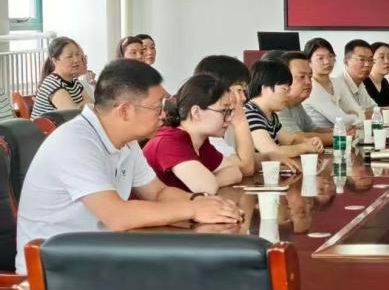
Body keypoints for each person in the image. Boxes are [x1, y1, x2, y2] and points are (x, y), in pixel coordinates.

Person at [14, 59, 242, 273]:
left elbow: (158, 192)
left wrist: (201, 202)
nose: (164, 115)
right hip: (55, 272)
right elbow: (118, 215)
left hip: (99, 260)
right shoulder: (75, 142)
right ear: (124, 110)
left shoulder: (127, 142)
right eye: (157, 107)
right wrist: (194, 210)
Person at [193, 55, 298, 176]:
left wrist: (269, 157)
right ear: (216, 90)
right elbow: (246, 167)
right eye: (239, 90)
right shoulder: (209, 128)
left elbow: (245, 158)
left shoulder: (227, 123)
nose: (244, 97)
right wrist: (241, 122)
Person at [143, 74, 244, 194]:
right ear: (196, 112)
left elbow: (235, 172)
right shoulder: (169, 142)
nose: (229, 119)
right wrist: (211, 181)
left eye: (229, 111)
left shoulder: (199, 141)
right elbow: (207, 187)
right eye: (224, 111)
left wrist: (214, 181)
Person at [245, 60, 323, 158]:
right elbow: (272, 152)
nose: (288, 94)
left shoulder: (271, 115)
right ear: (265, 88)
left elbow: (289, 141)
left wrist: (310, 142)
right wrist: (304, 147)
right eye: (285, 89)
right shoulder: (250, 113)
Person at [275, 51, 332, 146]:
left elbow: (314, 130)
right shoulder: (277, 106)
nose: (308, 82)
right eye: (302, 77)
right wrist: (339, 137)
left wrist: (341, 131)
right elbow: (295, 139)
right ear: (283, 79)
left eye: (310, 76)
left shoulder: (296, 103)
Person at [302, 38, 358, 128]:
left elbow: (356, 110)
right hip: (320, 135)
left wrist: (351, 117)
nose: (327, 61)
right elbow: (342, 120)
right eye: (320, 58)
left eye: (330, 56)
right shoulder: (310, 86)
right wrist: (352, 117)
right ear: (309, 62)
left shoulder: (337, 82)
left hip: (341, 133)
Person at [32, 36, 92, 118]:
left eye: (77, 54)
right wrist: (82, 105)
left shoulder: (74, 81)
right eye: (69, 56)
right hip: (49, 127)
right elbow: (74, 116)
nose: (76, 60)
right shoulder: (52, 83)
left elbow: (90, 103)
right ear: (55, 61)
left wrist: (79, 107)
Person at [336, 39, 377, 118]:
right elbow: (355, 116)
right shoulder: (338, 85)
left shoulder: (360, 84)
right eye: (362, 59)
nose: (367, 64)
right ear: (346, 61)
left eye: (370, 60)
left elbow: (375, 110)